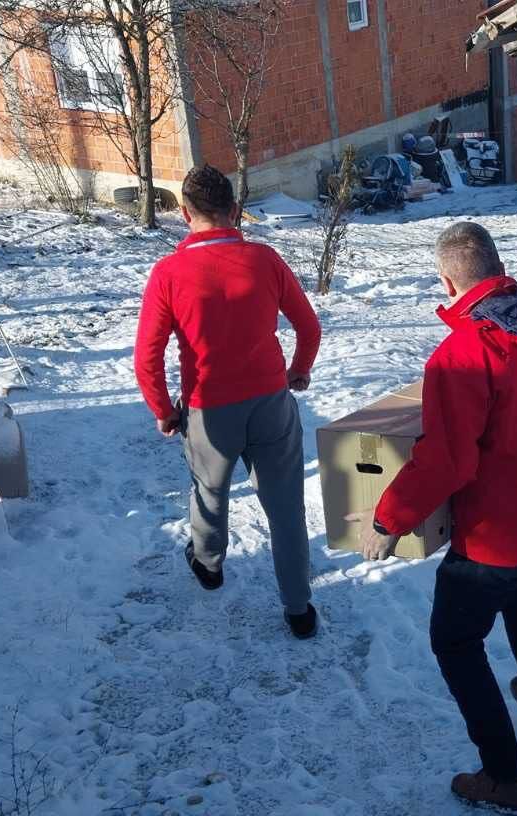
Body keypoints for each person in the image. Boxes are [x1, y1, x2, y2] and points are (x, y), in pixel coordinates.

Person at [345, 222, 517, 813]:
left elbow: (446, 460)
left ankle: (503, 777)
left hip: (502, 538)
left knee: (455, 639)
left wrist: (388, 519)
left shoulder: (465, 352)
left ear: (447, 280)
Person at [134, 164, 323, 639]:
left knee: (209, 493)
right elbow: (309, 326)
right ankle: (299, 609)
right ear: (235, 212)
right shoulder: (265, 260)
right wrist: (298, 369)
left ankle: (209, 565)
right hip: (270, 402)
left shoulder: (169, 273)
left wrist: (163, 410)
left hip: (208, 407)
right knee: (285, 510)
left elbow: (147, 356)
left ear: (184, 214)